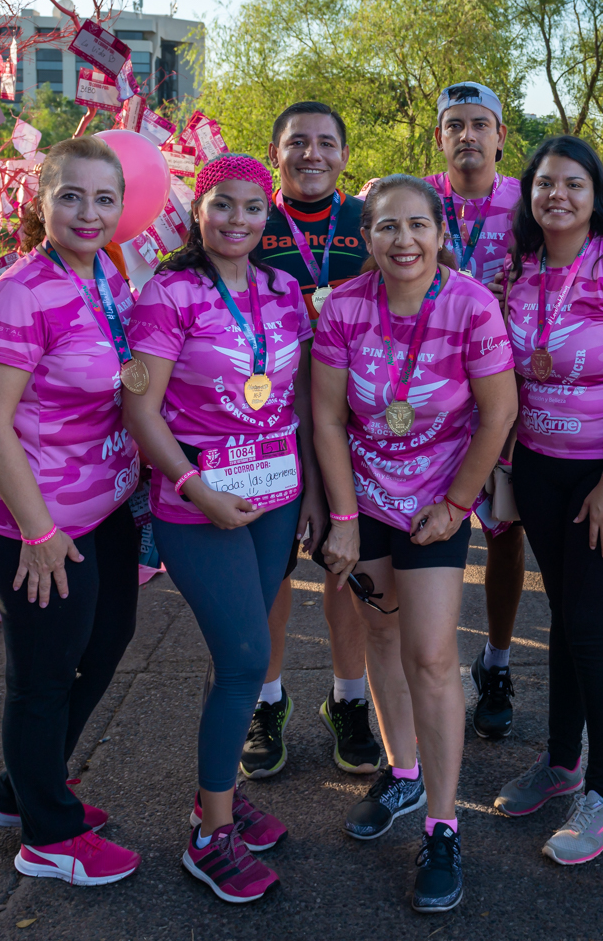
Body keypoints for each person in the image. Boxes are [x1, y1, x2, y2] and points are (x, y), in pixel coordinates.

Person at [312, 174, 516, 912]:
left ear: (441, 234)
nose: (404, 241)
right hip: (362, 494)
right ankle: (402, 776)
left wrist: (457, 502)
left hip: (436, 499)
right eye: (387, 228)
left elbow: (498, 414)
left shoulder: (471, 304)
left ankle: (442, 820)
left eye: (417, 227)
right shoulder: (343, 306)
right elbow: (329, 418)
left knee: (431, 653)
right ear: (367, 238)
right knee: (381, 632)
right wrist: (340, 514)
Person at [124, 154, 316, 904]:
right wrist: (193, 487)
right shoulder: (168, 293)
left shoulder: (282, 290)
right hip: (197, 503)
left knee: (239, 655)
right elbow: (140, 409)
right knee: (244, 660)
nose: (238, 220)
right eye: (223, 205)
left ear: (268, 215)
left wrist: (314, 497)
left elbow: (296, 394)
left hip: (273, 496)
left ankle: (217, 797)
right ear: (197, 211)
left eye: (252, 207)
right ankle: (209, 838)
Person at [0, 136, 143, 887]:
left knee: (105, 643)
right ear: (41, 200)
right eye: (71, 195)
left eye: (105, 198)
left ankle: (22, 787)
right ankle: (47, 835)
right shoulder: (19, 292)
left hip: (104, 510)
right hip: (35, 521)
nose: (88, 212)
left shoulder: (107, 274)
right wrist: (38, 532)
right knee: (42, 675)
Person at [492, 136, 603, 866]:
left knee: (591, 626)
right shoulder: (520, 270)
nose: (556, 195)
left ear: (597, 194)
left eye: (572, 183)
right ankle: (562, 763)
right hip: (540, 467)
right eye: (543, 184)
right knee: (564, 617)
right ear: (528, 196)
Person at [246, 101, 381, 779]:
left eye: (326, 143)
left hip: (352, 417)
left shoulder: (369, 221)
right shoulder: (248, 216)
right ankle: (266, 701)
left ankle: (349, 698)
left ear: (345, 155)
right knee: (271, 568)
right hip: (260, 418)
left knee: (345, 562)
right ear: (276, 152)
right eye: (297, 142)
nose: (312, 155)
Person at [422, 81, 526, 739]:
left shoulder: (530, 199)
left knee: (504, 530)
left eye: (479, 124)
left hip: (508, 387)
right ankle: (426, 663)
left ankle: (497, 659)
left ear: (499, 136)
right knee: (423, 524)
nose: (467, 135)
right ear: (440, 136)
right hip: (427, 388)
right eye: (455, 124)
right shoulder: (413, 196)